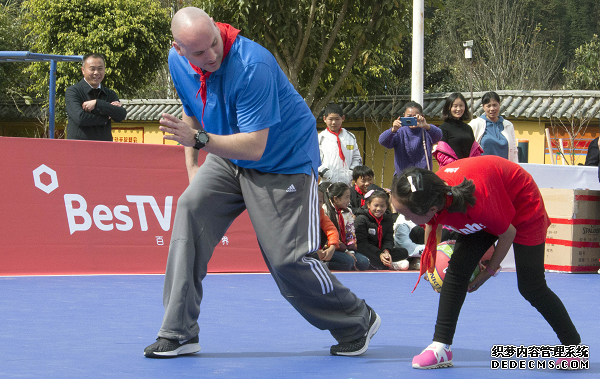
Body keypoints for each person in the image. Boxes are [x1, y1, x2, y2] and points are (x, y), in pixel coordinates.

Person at [144, 7, 380, 358]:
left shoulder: (252, 64)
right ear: (178, 49)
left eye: (212, 45)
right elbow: (191, 111)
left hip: (283, 162)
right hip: (227, 153)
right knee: (190, 207)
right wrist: (193, 169)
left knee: (287, 260)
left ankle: (356, 319)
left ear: (214, 26)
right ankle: (179, 331)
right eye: (198, 53)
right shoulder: (177, 62)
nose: (210, 56)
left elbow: (255, 145)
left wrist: (198, 141)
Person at [390, 156, 581, 369]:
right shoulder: (431, 193)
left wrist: (488, 272)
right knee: (456, 272)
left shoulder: (477, 207)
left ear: (432, 209)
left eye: (404, 215)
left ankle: (574, 348)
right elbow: (432, 226)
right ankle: (441, 347)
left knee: (531, 287)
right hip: (487, 197)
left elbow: (508, 233)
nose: (404, 220)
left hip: (521, 203)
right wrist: (430, 262)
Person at [65, 53, 127, 141]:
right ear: (83, 70)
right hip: (79, 148)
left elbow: (121, 115)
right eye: (92, 69)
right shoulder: (73, 91)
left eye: (100, 69)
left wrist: (98, 103)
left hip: (104, 148)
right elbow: (80, 118)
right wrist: (106, 116)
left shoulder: (109, 93)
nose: (96, 72)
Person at [378, 101, 442, 176]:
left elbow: (439, 136)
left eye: (415, 117)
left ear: (422, 116)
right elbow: (382, 141)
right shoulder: (399, 132)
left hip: (423, 177)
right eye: (409, 117)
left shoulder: (426, 130)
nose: (412, 120)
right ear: (403, 116)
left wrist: (426, 126)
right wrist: (393, 130)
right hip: (403, 177)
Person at [321, 181, 371, 271]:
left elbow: (350, 233)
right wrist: (345, 251)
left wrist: (351, 250)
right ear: (336, 199)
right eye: (346, 197)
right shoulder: (325, 210)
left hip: (345, 248)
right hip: (329, 248)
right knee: (348, 262)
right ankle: (324, 263)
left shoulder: (348, 211)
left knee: (364, 262)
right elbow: (328, 236)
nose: (349, 200)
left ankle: (347, 259)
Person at [354, 190, 409, 270]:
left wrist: (386, 251)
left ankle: (383, 263)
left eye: (382, 206)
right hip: (369, 251)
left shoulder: (388, 219)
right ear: (368, 205)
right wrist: (379, 254)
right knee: (363, 257)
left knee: (404, 252)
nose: (379, 209)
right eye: (376, 205)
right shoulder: (361, 219)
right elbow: (362, 244)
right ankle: (389, 265)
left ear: (387, 206)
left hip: (381, 251)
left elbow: (389, 239)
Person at [433, 93, 482, 168]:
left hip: (468, 170)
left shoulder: (468, 128)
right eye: (455, 106)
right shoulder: (442, 128)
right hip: (451, 171)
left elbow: (474, 152)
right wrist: (458, 167)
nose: (458, 109)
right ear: (448, 108)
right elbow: (441, 154)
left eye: (461, 106)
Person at [318, 103, 362, 185]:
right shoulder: (320, 138)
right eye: (330, 119)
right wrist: (328, 174)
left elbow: (357, 158)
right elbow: (316, 160)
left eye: (337, 119)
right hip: (327, 183)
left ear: (343, 118)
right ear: (324, 119)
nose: (334, 122)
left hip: (346, 183)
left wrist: (351, 173)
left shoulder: (350, 137)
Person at [469, 91, 518, 162]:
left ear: (499, 105)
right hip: (483, 168)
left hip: (504, 169)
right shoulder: (476, 124)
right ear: (483, 107)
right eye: (488, 106)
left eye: (495, 105)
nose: (492, 109)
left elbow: (514, 150)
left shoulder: (508, 125)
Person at [317, 185, 338, 266]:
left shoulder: (321, 214)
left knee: (348, 261)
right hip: (301, 252)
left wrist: (332, 248)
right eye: (313, 200)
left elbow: (331, 230)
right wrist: (313, 251)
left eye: (320, 201)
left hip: (318, 251)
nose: (316, 204)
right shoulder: (298, 214)